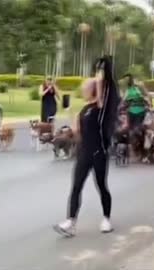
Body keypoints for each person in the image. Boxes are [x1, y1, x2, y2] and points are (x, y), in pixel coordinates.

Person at [53, 56, 120, 238]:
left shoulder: (100, 108)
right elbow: (76, 132)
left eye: (86, 86)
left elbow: (103, 82)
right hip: (84, 152)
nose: (83, 89)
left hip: (99, 152)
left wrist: (101, 68)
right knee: (76, 187)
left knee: (101, 186)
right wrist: (69, 113)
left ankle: (106, 219)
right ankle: (70, 222)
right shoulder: (84, 110)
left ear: (93, 89)